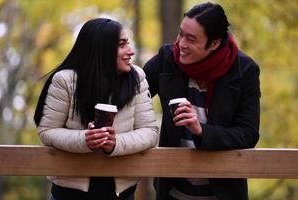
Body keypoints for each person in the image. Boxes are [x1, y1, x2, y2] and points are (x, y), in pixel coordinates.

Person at [143, 2, 260, 200]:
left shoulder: (245, 70)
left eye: (191, 39)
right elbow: (131, 93)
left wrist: (201, 130)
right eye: (180, 34)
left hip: (223, 193)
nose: (181, 44)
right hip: (171, 191)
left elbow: (247, 134)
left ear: (214, 43)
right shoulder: (167, 58)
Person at [34, 18, 159, 200]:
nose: (130, 52)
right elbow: (47, 131)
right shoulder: (65, 81)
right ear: (102, 49)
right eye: (121, 45)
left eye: (128, 44)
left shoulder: (137, 78)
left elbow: (150, 132)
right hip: (69, 193)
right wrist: (84, 140)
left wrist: (115, 143)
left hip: (121, 193)